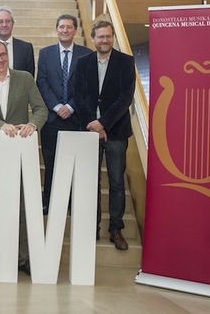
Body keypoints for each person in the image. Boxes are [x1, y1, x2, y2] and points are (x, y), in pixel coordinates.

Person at [0, 40, 48, 276]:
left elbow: (41, 109)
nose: (0, 59)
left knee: (22, 205)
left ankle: (23, 258)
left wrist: (33, 125)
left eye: (2, 54)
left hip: (20, 152)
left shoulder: (24, 78)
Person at [73, 20, 135, 251]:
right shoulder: (82, 62)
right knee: (91, 182)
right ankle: (93, 227)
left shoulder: (126, 62)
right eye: (100, 36)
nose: (105, 40)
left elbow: (125, 98)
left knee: (117, 183)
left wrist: (103, 123)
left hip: (116, 132)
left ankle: (116, 229)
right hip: (89, 131)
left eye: (108, 36)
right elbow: (78, 95)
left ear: (113, 38)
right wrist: (93, 124)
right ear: (93, 39)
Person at [36, 14, 90, 215]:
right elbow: (41, 82)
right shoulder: (45, 53)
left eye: (69, 27)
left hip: (76, 119)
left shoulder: (86, 54)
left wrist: (71, 106)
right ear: (56, 29)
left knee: (74, 164)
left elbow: (87, 85)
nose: (65, 30)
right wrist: (57, 106)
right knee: (51, 163)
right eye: (61, 27)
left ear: (75, 30)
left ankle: (71, 203)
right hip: (52, 119)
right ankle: (49, 202)